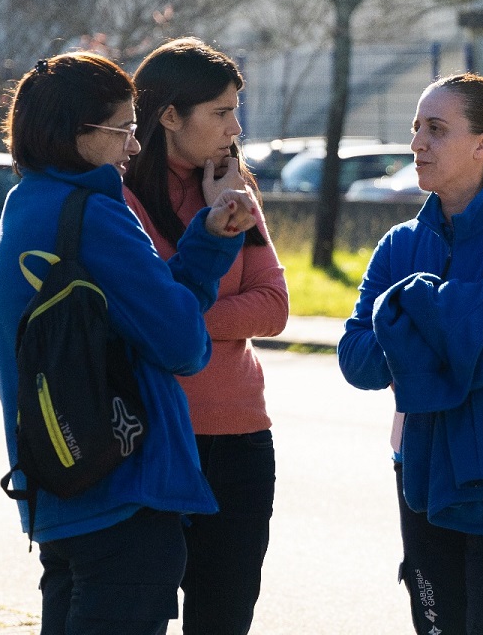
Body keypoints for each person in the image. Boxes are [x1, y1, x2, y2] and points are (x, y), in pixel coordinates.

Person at [0, 51, 257, 635]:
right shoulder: (94, 215)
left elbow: (145, 313)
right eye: (124, 130)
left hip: (58, 486)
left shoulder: (26, 204)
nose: (133, 149)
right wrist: (210, 249)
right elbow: (183, 343)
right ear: (77, 133)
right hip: (123, 492)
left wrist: (204, 237)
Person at [338, 73, 483, 635]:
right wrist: (462, 320)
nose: (417, 143)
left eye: (436, 130)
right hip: (419, 471)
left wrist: (408, 326)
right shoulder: (399, 243)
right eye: (416, 127)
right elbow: (355, 358)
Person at [123, 37, 289, 635]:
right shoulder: (124, 199)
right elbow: (145, 318)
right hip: (158, 438)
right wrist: (195, 309)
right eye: (220, 112)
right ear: (169, 115)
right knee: (140, 614)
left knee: (225, 619)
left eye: (235, 110)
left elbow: (273, 307)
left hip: (243, 437)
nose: (234, 126)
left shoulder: (233, 187)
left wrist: (185, 317)